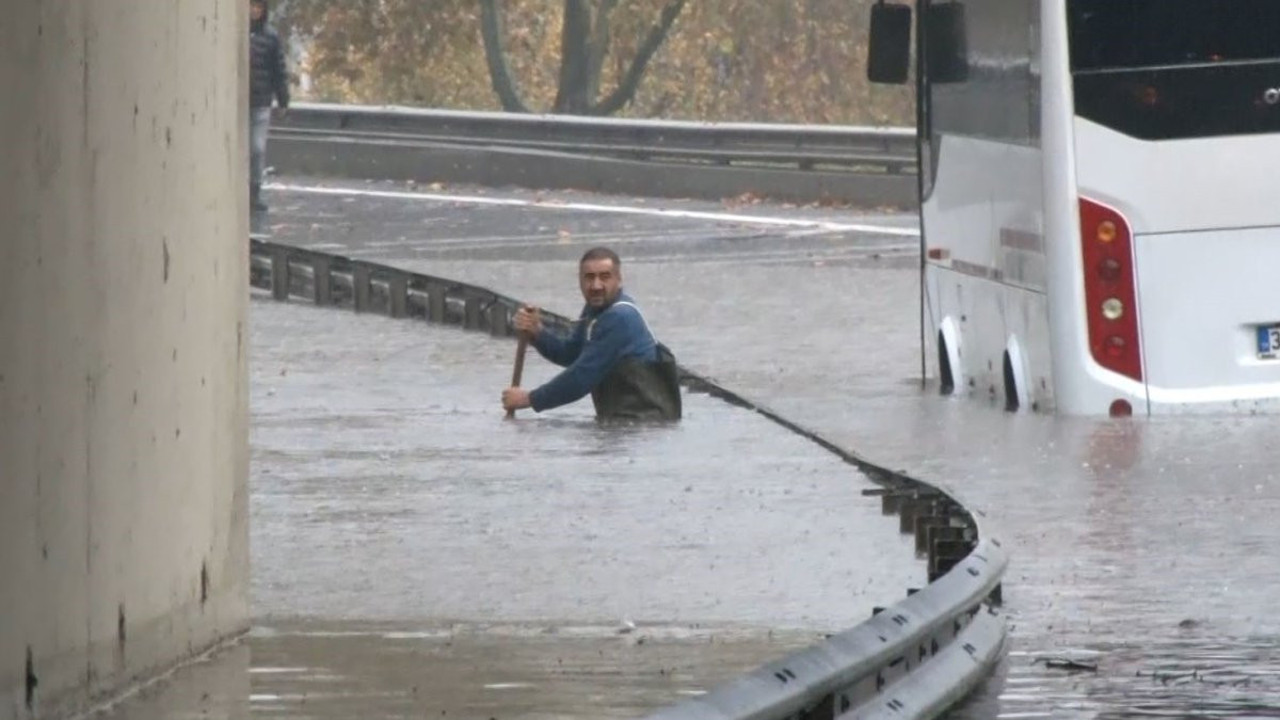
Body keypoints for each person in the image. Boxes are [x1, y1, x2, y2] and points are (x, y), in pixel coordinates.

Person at [501, 247, 682, 421]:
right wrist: (537, 333)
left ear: (619, 280)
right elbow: (571, 354)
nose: (596, 285)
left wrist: (530, 399)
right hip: (621, 420)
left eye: (604, 277)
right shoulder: (594, 310)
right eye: (589, 278)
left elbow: (582, 376)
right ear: (580, 281)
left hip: (645, 425)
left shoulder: (620, 317)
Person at [249, 0, 290, 213]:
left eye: (258, 7)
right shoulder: (236, 34)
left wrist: (283, 100)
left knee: (256, 149)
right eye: (251, 6)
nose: (254, 10)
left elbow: (279, 70)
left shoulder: (270, 37)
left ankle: (254, 192)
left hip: (260, 103)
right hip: (238, 105)